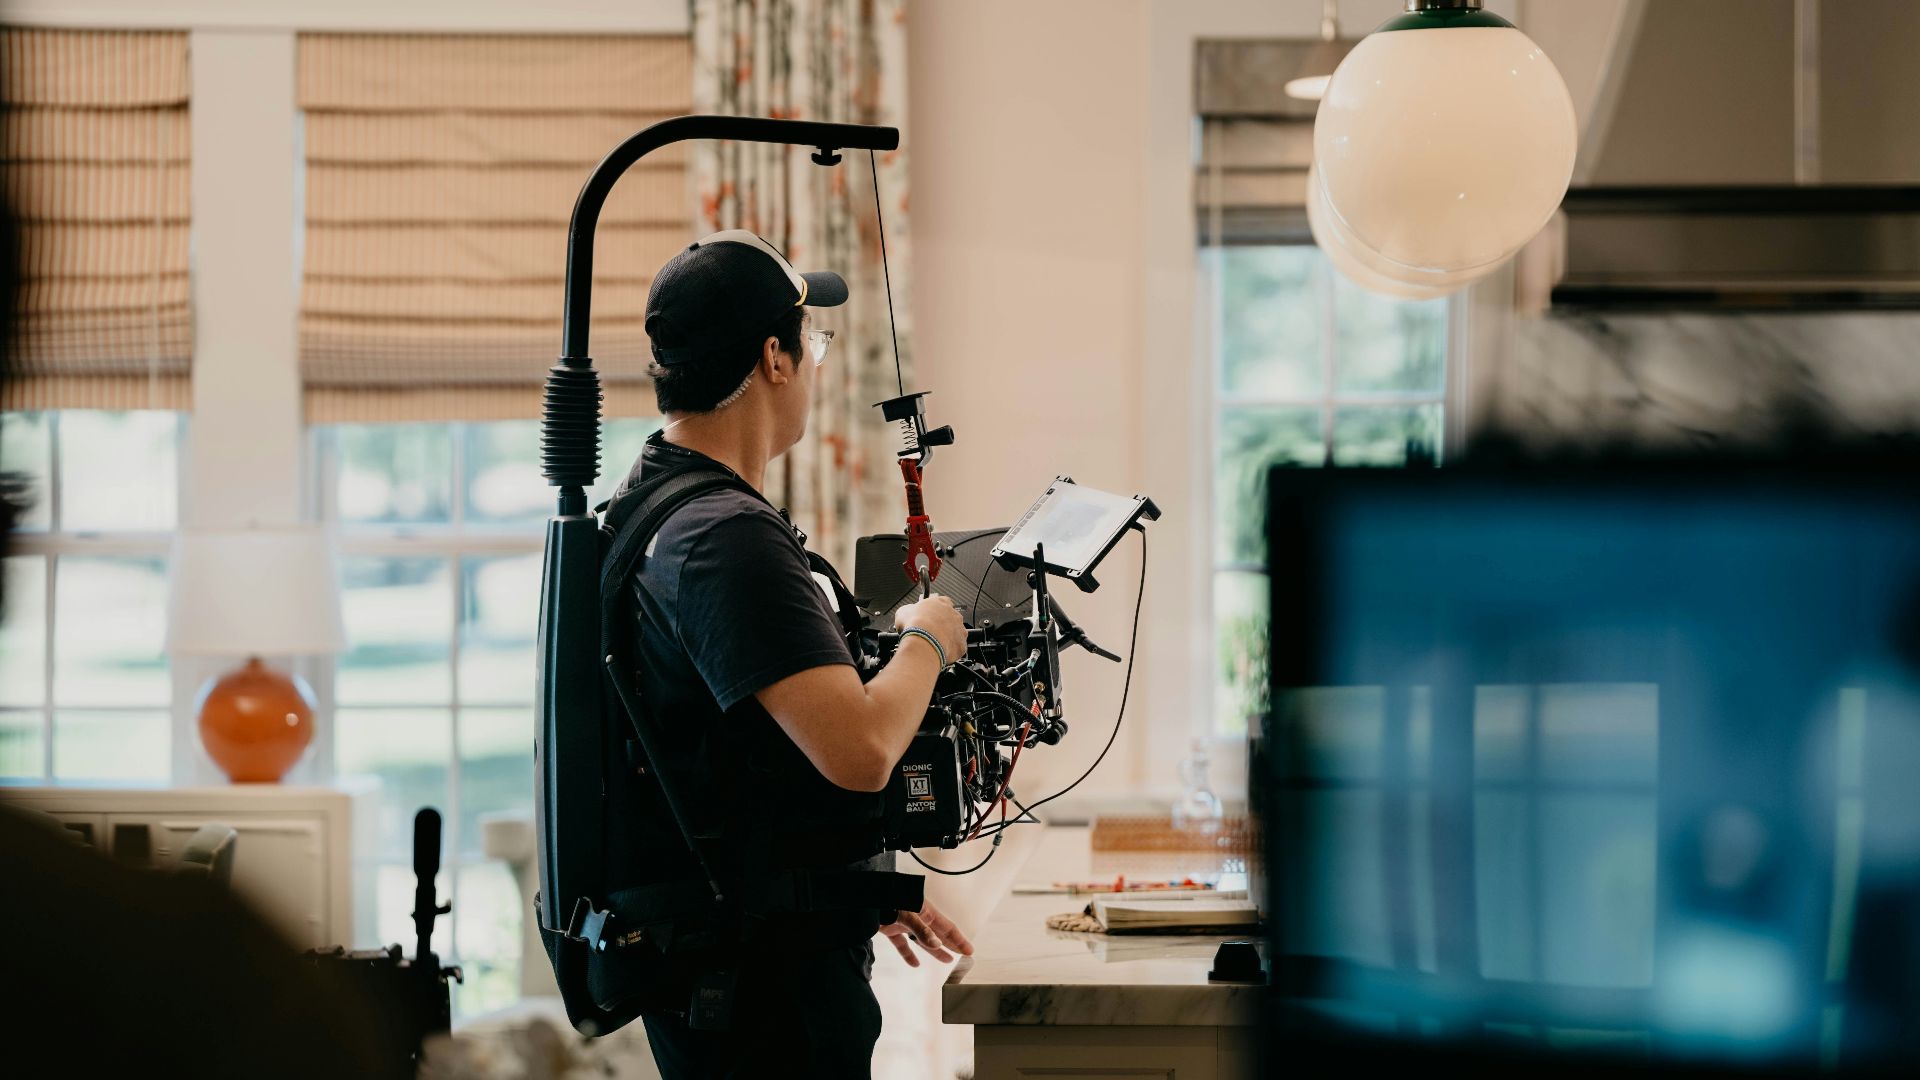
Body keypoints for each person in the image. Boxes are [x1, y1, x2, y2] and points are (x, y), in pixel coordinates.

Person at [606, 230, 972, 1077]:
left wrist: (839, 881)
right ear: (774, 357)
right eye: (812, 342)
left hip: (745, 955)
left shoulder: (656, 501)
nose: (816, 363)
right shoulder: (724, 536)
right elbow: (861, 751)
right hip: (765, 993)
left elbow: (725, 755)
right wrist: (929, 635)